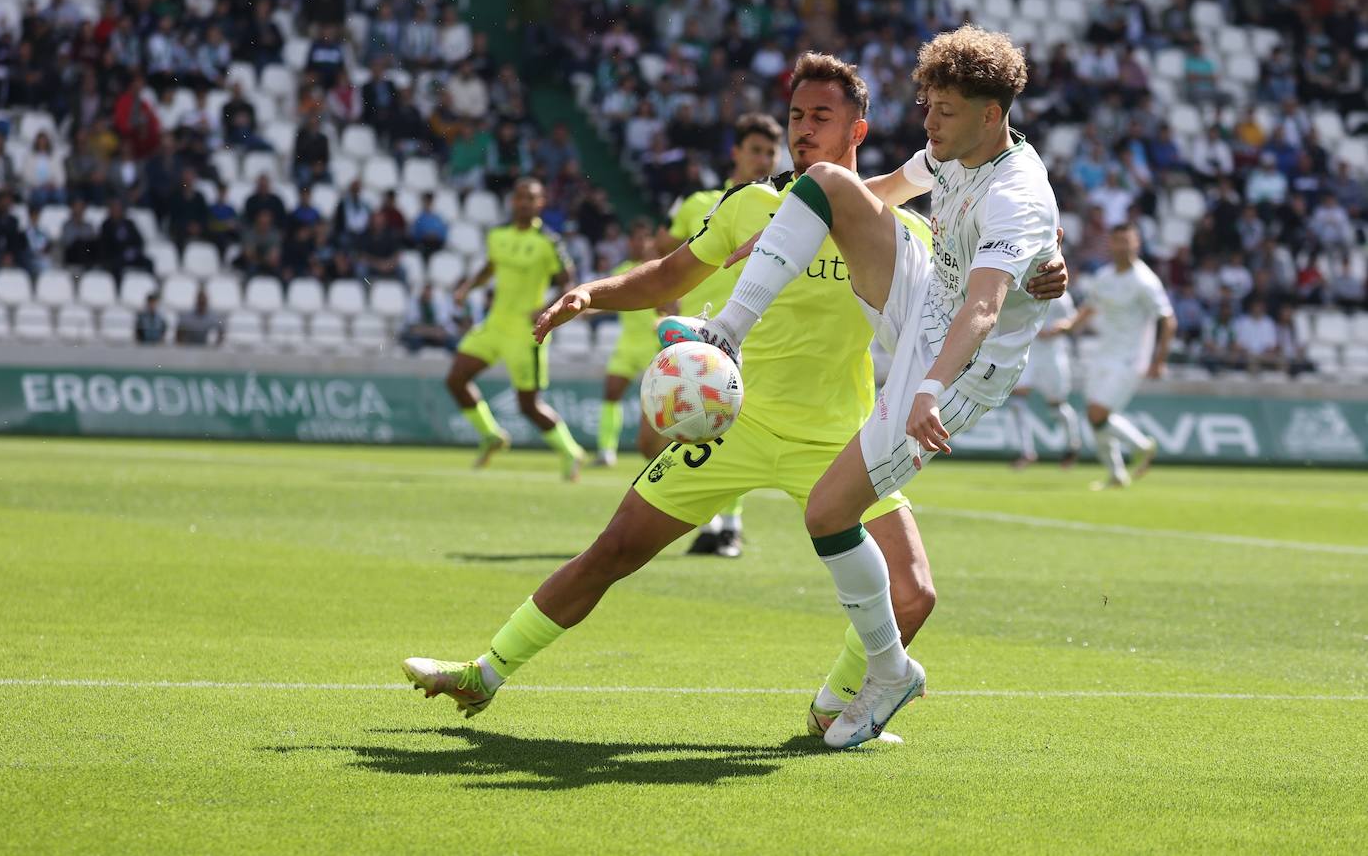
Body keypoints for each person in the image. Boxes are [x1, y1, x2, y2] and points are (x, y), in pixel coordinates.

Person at [403, 51, 1068, 746]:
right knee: (615, 548)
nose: (802, 129)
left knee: (915, 593)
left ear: (858, 130)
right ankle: (486, 671)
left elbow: (979, 272)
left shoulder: (900, 230)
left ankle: (835, 705)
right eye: (794, 116)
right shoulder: (753, 204)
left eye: (821, 117)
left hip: (834, 432)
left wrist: (1042, 267)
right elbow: (668, 269)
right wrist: (594, 293)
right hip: (738, 421)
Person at [658, 28, 1064, 746]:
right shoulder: (951, 149)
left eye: (944, 109)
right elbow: (871, 193)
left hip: (962, 363)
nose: (928, 122)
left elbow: (986, 308)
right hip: (926, 298)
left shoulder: (1019, 194)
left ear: (991, 111)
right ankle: (724, 333)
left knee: (826, 512)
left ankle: (887, 670)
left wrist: (931, 388)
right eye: (927, 104)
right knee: (824, 183)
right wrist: (797, 225)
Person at [655, 111, 782, 557]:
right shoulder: (698, 203)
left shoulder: (781, 207)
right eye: (755, 150)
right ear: (735, 153)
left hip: (746, 334)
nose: (764, 159)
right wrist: (665, 297)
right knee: (667, 433)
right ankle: (710, 523)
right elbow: (662, 247)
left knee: (726, 426)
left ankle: (727, 525)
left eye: (770, 151)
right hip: (693, 327)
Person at [448, 177, 586, 480]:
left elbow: (568, 281)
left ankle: (570, 451)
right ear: (513, 201)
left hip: (526, 332)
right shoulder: (497, 235)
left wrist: (549, 305)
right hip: (495, 324)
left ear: (541, 203)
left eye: (531, 198)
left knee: (528, 406)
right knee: (456, 378)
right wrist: (467, 287)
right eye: (520, 197)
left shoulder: (549, 241)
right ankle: (490, 434)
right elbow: (490, 267)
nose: (524, 202)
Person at [1051, 222, 1175, 490]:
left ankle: (1142, 445)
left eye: (1127, 240)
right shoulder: (1105, 276)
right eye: (1117, 240)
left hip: (1132, 358)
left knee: (1098, 414)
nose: (1122, 246)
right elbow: (1090, 308)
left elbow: (1168, 321)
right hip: (1104, 352)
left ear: (1137, 243)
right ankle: (1117, 474)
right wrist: (1069, 326)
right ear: (1111, 244)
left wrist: (1159, 360)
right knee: (1095, 417)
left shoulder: (1145, 281)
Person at [593, 219, 665, 468]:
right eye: (634, 238)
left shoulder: (660, 269)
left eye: (644, 238)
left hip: (652, 345)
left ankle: (660, 451)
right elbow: (613, 299)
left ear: (651, 241)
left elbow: (670, 304)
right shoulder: (623, 268)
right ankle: (606, 451)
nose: (638, 243)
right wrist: (585, 308)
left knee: (655, 404)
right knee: (611, 391)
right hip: (626, 344)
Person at [1008, 291, 1082, 469]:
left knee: (1057, 406)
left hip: (1053, 355)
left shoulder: (1062, 297)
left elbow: (1071, 321)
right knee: (1017, 400)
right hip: (1029, 353)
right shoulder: (1025, 292)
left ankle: (1073, 445)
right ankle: (1027, 452)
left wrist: (1059, 328)